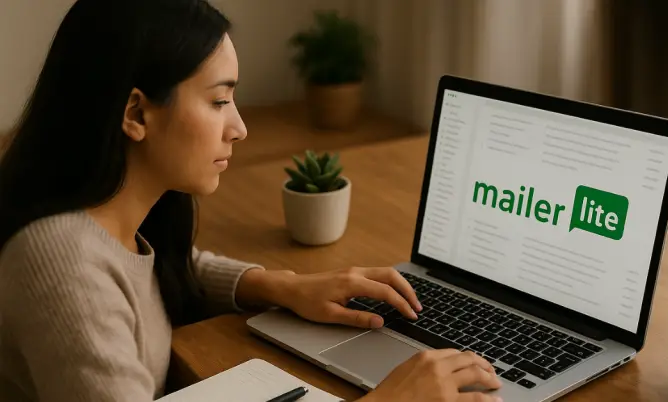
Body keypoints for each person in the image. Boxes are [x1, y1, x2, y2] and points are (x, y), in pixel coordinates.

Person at [0, 1, 503, 401]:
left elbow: (155, 272)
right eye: (219, 101)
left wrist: (283, 285)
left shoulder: (113, 224)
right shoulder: (61, 260)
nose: (239, 128)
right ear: (136, 112)